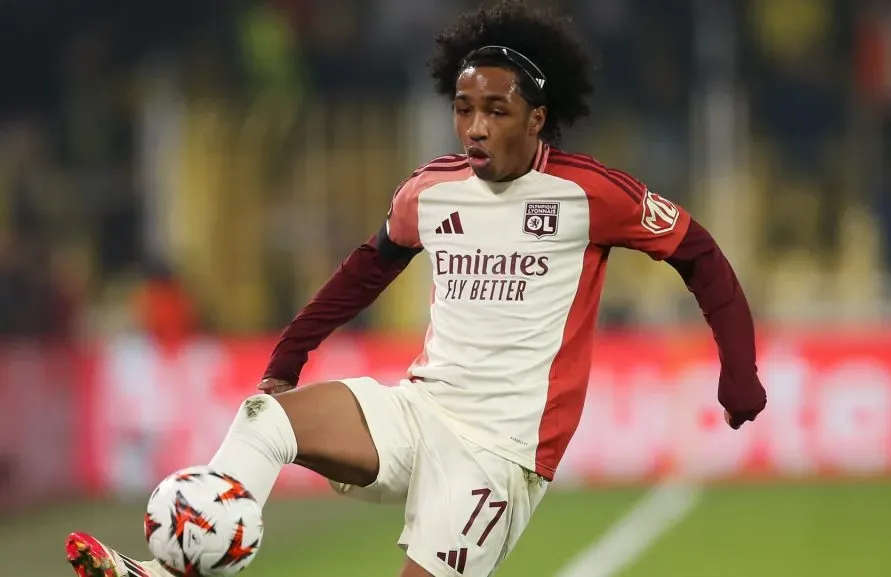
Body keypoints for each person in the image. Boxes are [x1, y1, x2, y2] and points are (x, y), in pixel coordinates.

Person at [65, 2, 766, 576]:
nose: (476, 127)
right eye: (464, 108)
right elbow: (362, 272)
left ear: (537, 118)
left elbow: (699, 253)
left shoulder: (589, 194)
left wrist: (738, 370)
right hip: (419, 412)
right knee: (264, 421)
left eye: (495, 110)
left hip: (501, 454)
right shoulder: (429, 192)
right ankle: (169, 571)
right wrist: (286, 361)